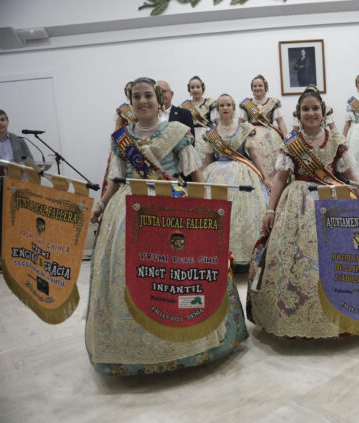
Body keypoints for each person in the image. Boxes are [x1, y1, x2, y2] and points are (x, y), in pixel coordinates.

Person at [86, 77, 247, 375]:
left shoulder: (177, 133)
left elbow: (195, 174)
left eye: (148, 95)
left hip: (172, 208)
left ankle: (192, 342)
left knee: (180, 270)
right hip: (130, 210)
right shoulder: (121, 137)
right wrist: (102, 205)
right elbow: (115, 178)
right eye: (137, 96)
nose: (142, 101)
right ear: (130, 101)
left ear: (159, 100)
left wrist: (210, 206)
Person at [248, 90, 359, 338]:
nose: (311, 113)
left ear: (323, 111)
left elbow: (350, 176)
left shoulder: (336, 140)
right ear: (298, 114)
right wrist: (270, 209)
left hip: (332, 203)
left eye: (315, 108)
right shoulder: (291, 142)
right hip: (296, 205)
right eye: (305, 109)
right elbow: (280, 178)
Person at [201, 94, 270, 272]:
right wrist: (199, 179)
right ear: (217, 109)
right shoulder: (211, 132)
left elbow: (254, 155)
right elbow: (208, 159)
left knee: (243, 213)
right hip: (216, 174)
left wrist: (265, 176)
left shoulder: (245, 128)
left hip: (243, 174)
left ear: (233, 107)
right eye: (221, 105)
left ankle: (243, 258)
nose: (225, 108)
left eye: (229, 105)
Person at [0, 109, 34, 271]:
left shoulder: (19, 140)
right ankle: (6, 261)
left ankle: (25, 259)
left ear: (8, 122)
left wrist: (28, 167)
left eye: (2, 119)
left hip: (19, 187)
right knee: (3, 225)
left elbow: (30, 161)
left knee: (23, 224)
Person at [239, 75, 288, 182]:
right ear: (252, 88)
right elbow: (241, 124)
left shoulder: (273, 102)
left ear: (265, 87)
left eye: (260, 85)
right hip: (252, 140)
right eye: (255, 86)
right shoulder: (246, 104)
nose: (257, 88)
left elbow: (280, 122)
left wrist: (286, 139)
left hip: (271, 140)